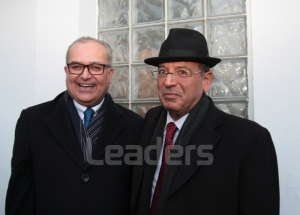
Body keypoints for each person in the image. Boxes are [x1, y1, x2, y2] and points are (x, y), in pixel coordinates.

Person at [131, 28, 279, 215]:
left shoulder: (249, 140)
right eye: (162, 71)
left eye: (182, 72)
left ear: (206, 80)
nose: (168, 81)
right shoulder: (150, 121)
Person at [6, 37, 143, 215]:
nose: (85, 75)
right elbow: (20, 197)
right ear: (67, 71)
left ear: (110, 74)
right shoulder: (31, 121)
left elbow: (140, 197)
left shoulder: (136, 126)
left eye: (96, 67)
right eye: (77, 66)